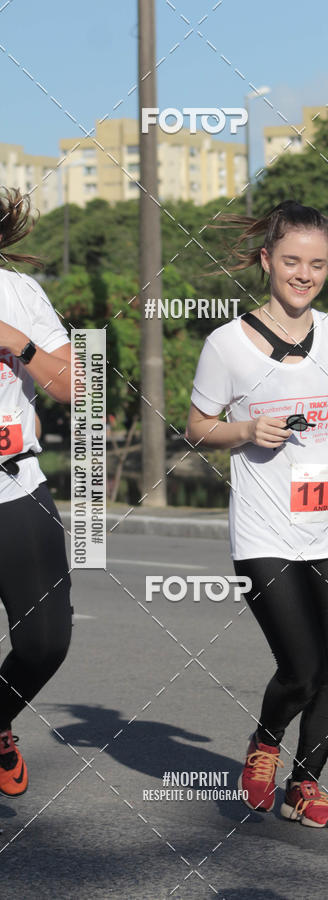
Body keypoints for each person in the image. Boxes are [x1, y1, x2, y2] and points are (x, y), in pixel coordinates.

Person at [186, 200, 328, 828]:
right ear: (268, 260)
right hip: (265, 531)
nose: (305, 274)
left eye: (318, 264)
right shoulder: (228, 344)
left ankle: (305, 787)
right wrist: (245, 428)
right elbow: (196, 429)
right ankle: (266, 741)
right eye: (293, 261)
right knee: (300, 669)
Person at [0, 188, 73, 796]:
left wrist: (15, 342)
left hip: (15, 486)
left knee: (46, 641)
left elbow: (79, 387)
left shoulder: (20, 294)